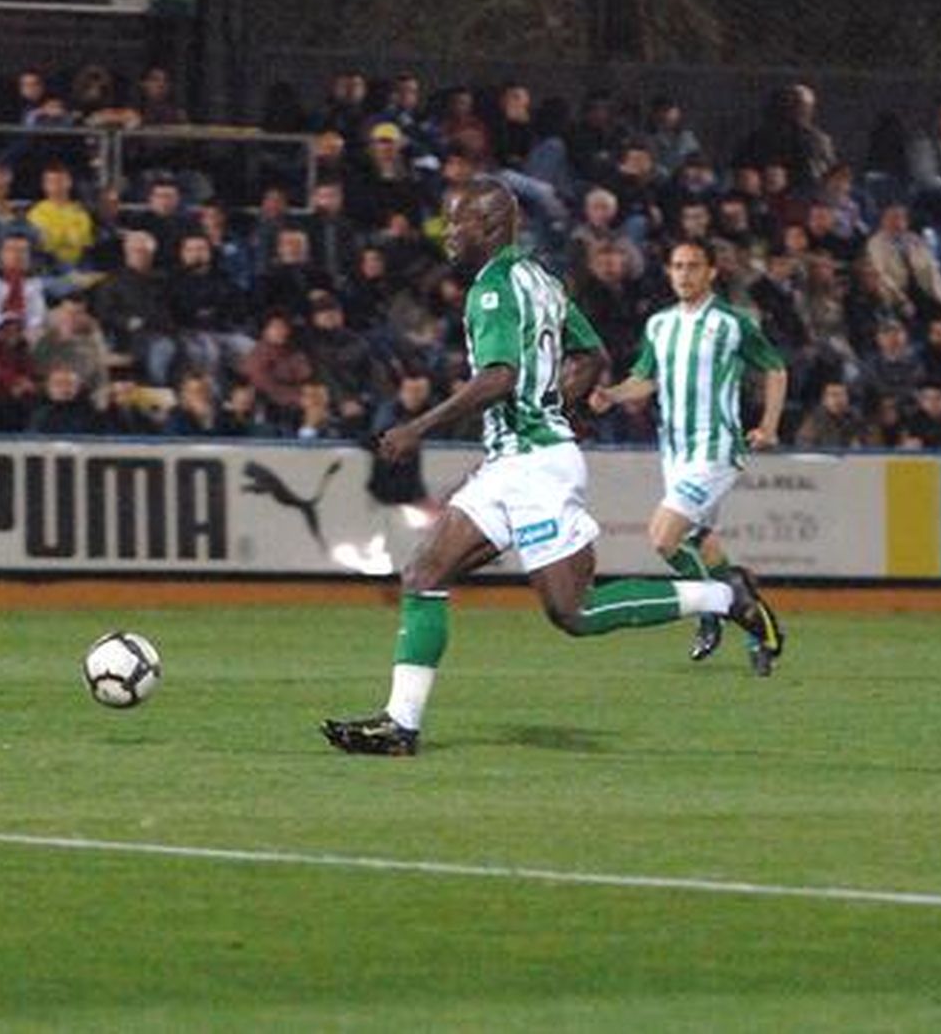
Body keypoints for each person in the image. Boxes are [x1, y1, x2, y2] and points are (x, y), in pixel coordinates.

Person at [321, 179, 782, 756]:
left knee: (574, 612)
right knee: (424, 575)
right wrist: (557, 402)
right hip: (514, 461)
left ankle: (723, 598)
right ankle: (400, 725)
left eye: (457, 221)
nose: (448, 233)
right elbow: (592, 354)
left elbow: (499, 377)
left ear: (489, 225)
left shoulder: (491, 288)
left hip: (533, 468)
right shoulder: (541, 279)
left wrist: (418, 427)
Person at [592, 239, 789, 675]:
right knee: (702, 543)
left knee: (663, 537)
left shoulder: (732, 323)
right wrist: (611, 394)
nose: (684, 274)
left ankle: (709, 607)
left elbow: (775, 367)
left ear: (712, 272)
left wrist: (770, 424)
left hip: (715, 448)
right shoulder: (660, 324)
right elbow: (645, 379)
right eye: (677, 266)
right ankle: (763, 631)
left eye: (693, 266)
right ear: (668, 271)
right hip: (676, 452)